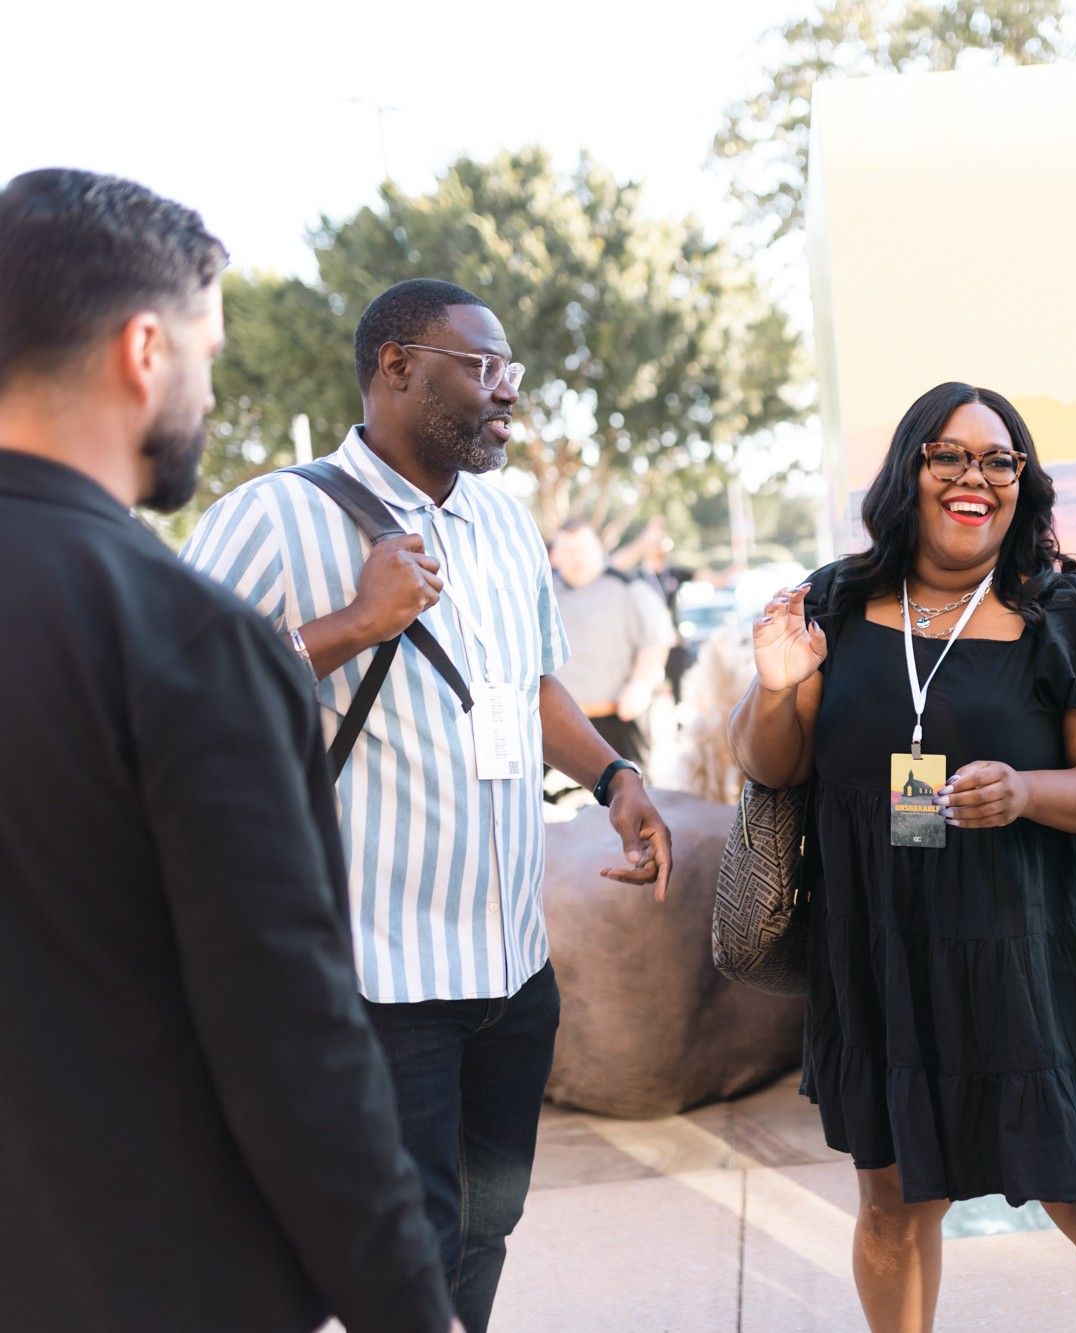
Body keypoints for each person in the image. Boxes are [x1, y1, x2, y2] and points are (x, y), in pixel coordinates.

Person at [0, 169, 456, 1331]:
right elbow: (289, 1040)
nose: (210, 386)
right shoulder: (185, 641)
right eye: (206, 351)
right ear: (143, 351)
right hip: (141, 1275)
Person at [729, 381, 1076, 1333]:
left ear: (1023, 481)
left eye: (999, 458)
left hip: (1036, 941)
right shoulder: (838, 599)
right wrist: (778, 690)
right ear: (909, 470)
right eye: (949, 455)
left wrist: (1027, 790)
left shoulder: (1062, 608)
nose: (974, 476)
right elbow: (774, 763)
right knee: (893, 1204)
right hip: (886, 949)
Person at [184, 277, 674, 1333]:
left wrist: (614, 778)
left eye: (513, 373)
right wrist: (355, 624)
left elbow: (535, 683)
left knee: (480, 1234)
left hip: (512, 972)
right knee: (402, 1255)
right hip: (381, 977)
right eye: (481, 366)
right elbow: (172, 692)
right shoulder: (275, 515)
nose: (507, 393)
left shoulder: (502, 523)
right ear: (395, 367)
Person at [549, 515, 675, 771]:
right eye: (568, 551)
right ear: (555, 556)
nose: (576, 558)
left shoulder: (628, 587)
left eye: (583, 549)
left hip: (617, 717)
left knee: (632, 795)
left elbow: (656, 638)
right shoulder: (543, 590)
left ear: (598, 548)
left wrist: (641, 684)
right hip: (559, 720)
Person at [615, 515, 697, 702]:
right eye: (655, 543)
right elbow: (615, 565)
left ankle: (679, 723)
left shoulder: (674, 572)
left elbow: (710, 578)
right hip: (646, 643)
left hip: (674, 641)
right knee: (644, 690)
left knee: (680, 690)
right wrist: (645, 537)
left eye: (662, 542)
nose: (660, 546)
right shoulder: (636, 577)